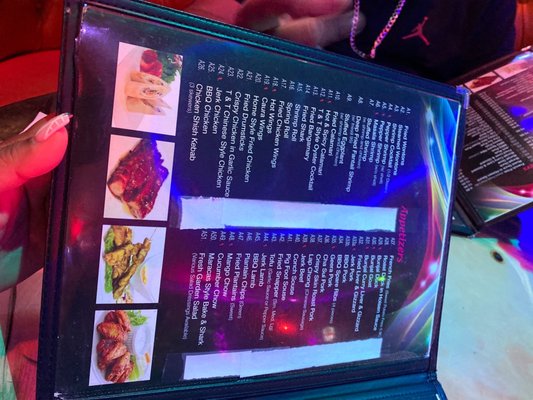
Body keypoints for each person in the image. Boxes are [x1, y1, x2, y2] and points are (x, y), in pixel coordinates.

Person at [0, 0, 517, 290]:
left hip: (327, 197)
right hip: (206, 116)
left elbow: (464, 161)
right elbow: (210, 20)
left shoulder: (483, 19)